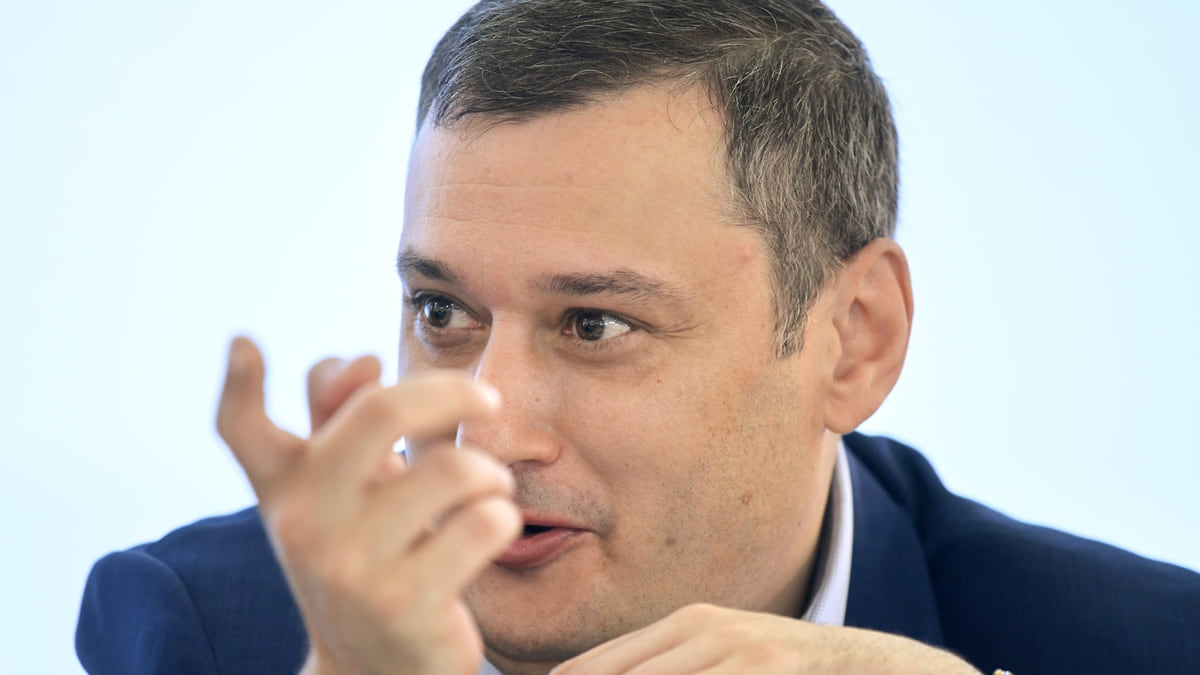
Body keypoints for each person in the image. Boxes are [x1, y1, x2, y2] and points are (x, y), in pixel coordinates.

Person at [76, 1, 1200, 674]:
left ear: (853, 341)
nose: (488, 432)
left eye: (595, 324)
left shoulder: (1143, 646)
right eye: (443, 313)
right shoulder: (209, 629)